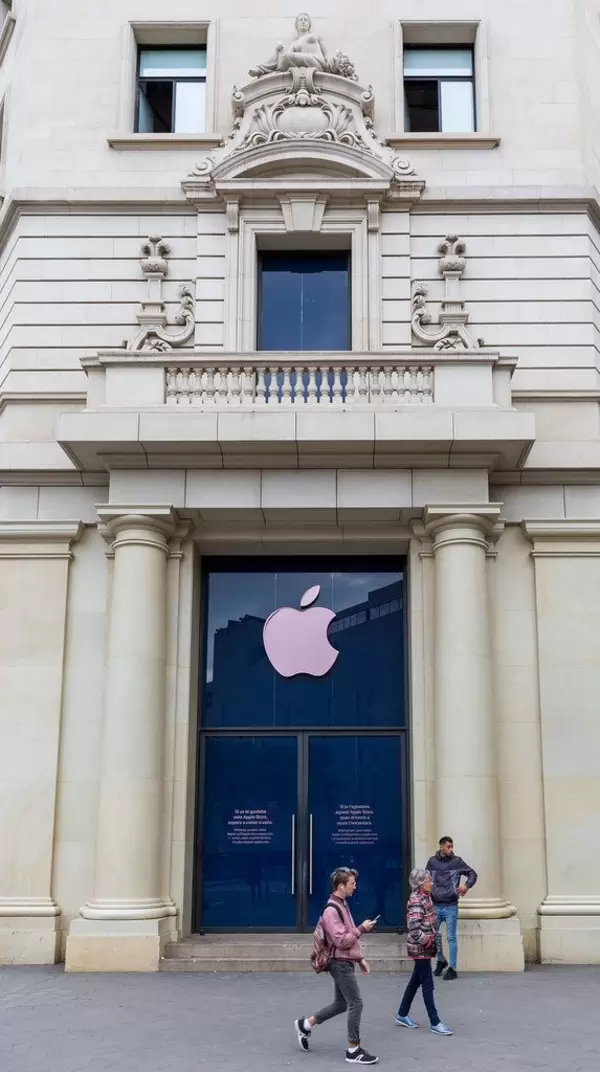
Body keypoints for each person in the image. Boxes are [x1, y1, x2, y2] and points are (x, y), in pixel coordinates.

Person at [294, 867, 379, 1065]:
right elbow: (341, 941)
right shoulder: (332, 910)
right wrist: (362, 929)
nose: (355, 887)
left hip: (344, 961)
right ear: (341, 886)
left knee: (341, 1004)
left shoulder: (342, 904)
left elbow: (347, 935)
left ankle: (305, 1024)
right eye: (352, 884)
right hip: (339, 964)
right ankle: (353, 1050)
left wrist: (359, 959)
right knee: (356, 1003)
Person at [395, 869, 452, 1036]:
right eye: (428, 880)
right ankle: (435, 1022)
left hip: (425, 946)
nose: (431, 882)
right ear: (420, 883)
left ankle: (402, 1014)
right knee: (427, 983)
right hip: (420, 948)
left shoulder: (425, 897)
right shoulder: (416, 900)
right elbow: (413, 928)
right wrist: (426, 941)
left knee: (416, 981)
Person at [426, 835, 477, 980]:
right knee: (433, 936)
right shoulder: (432, 862)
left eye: (452, 847)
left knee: (451, 937)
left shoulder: (457, 861)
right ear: (441, 846)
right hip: (435, 905)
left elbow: (472, 873)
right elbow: (425, 878)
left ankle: (452, 968)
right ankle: (441, 961)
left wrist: (466, 886)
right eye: (448, 847)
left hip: (450, 905)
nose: (451, 849)